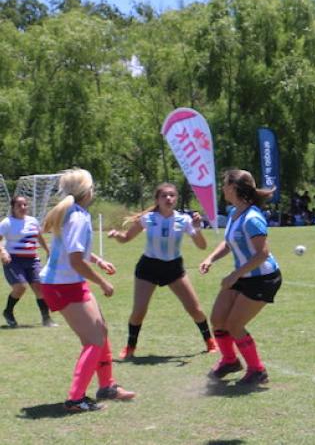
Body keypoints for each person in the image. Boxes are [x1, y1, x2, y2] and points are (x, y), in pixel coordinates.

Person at [40, 169, 136, 412]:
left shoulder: (73, 213)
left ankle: (107, 387)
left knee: (100, 332)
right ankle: (75, 399)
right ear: (87, 191)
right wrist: (102, 282)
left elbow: (76, 250)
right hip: (63, 285)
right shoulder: (78, 217)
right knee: (93, 340)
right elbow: (75, 261)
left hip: (64, 283)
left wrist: (98, 260)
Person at [107, 183, 215, 359]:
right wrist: (116, 234)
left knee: (194, 309)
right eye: (164, 196)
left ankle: (210, 342)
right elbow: (126, 238)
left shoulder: (184, 220)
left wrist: (197, 228)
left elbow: (202, 246)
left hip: (173, 268)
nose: (169, 199)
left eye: (172, 195)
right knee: (139, 311)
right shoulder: (148, 219)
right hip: (148, 267)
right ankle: (130, 347)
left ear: (176, 198)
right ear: (157, 199)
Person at [199, 169, 281, 386]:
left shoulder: (252, 218)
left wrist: (234, 275)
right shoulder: (236, 213)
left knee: (235, 325)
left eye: (225, 184)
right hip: (243, 276)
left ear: (234, 188)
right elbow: (229, 242)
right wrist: (211, 258)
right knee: (218, 319)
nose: (222, 188)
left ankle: (257, 371)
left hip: (263, 278)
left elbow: (262, 253)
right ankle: (229, 361)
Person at [0, 195, 55, 327]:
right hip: (13, 260)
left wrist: (48, 251)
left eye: (25, 205)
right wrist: (3, 252)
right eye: (19, 205)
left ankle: (46, 319)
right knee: (20, 287)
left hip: (32, 260)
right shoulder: (7, 223)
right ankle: (8, 312)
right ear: (13, 207)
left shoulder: (33, 221)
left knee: (40, 288)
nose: (23, 208)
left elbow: (39, 236)